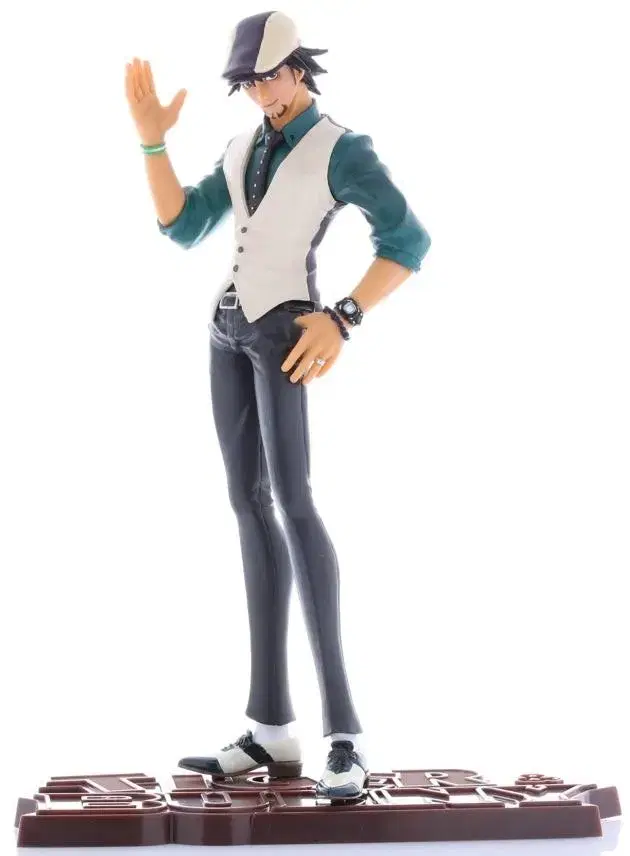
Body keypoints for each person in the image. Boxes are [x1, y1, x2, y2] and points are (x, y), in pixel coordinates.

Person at [125, 9, 431, 799]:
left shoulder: (341, 148)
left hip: (285, 332)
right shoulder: (241, 147)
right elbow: (183, 226)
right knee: (246, 505)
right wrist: (153, 144)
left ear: (300, 67)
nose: (262, 92)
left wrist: (344, 316)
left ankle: (345, 733)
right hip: (226, 331)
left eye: (271, 76)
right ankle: (269, 726)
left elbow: (408, 240)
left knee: (295, 504)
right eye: (249, 82)